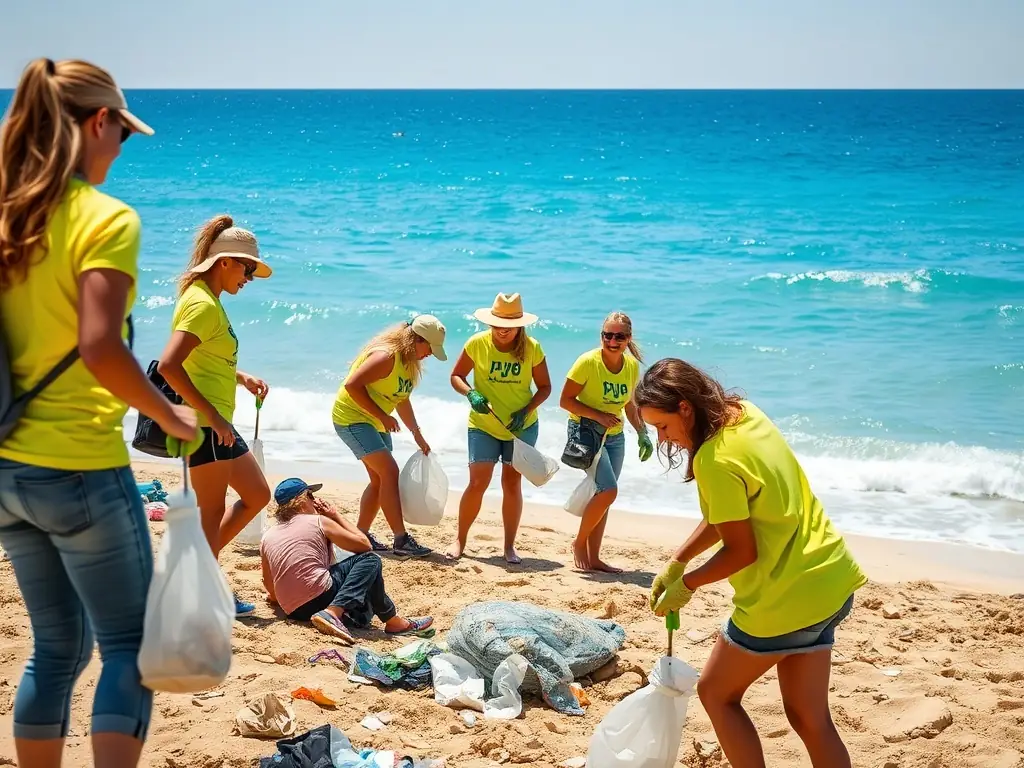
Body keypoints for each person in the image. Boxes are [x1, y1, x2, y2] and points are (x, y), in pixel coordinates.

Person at [0, 59, 199, 768]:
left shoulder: (6, 219)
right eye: (123, 133)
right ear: (96, 123)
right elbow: (99, 347)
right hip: (79, 466)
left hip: (7, 471)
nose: (122, 147)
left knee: (54, 648)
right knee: (128, 647)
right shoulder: (105, 219)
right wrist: (170, 417)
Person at [637, 359, 867, 768]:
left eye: (663, 426)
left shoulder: (713, 460)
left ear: (686, 407)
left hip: (783, 599)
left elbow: (742, 551)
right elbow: (729, 515)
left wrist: (687, 584)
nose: (663, 439)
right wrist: (679, 560)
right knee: (809, 716)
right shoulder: (745, 414)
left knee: (716, 694)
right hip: (830, 580)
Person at [157, 214, 273, 617]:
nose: (250, 277)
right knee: (210, 515)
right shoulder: (202, 304)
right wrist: (215, 417)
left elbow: (203, 360)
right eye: (247, 268)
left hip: (216, 424)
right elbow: (170, 366)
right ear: (224, 261)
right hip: (204, 426)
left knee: (258, 494)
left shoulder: (209, 302)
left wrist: (240, 377)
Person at [261, 478, 434, 642]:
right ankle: (337, 612)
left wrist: (281, 598)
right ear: (301, 500)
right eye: (311, 496)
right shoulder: (317, 521)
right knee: (370, 561)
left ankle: (392, 620)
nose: (314, 501)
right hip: (319, 599)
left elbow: (270, 587)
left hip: (294, 611)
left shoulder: (268, 536)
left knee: (362, 585)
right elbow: (365, 545)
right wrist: (335, 516)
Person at [447, 293, 551, 564]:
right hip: (483, 425)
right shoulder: (477, 344)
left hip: (521, 426)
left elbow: (545, 387)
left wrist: (525, 411)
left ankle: (509, 547)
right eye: (497, 323)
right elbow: (456, 376)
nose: (502, 329)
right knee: (478, 482)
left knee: (511, 483)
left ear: (520, 325)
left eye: (509, 324)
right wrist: (471, 394)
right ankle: (460, 539)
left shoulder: (532, 348)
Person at [331, 316, 447, 558]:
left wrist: (418, 435)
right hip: (351, 417)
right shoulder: (387, 357)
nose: (429, 355)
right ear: (416, 339)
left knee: (379, 480)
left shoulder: (409, 363)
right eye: (429, 348)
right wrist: (382, 416)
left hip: (374, 421)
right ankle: (401, 539)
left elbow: (402, 399)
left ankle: (361, 534)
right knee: (389, 474)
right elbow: (352, 385)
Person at [559, 312, 653, 573]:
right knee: (608, 490)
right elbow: (566, 401)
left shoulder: (632, 366)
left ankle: (594, 557)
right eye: (607, 335)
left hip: (614, 436)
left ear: (628, 339)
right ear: (601, 336)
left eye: (619, 336)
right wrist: (599, 415)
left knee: (604, 496)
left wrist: (643, 433)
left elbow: (630, 405)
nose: (612, 340)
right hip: (586, 433)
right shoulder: (587, 362)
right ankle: (579, 544)